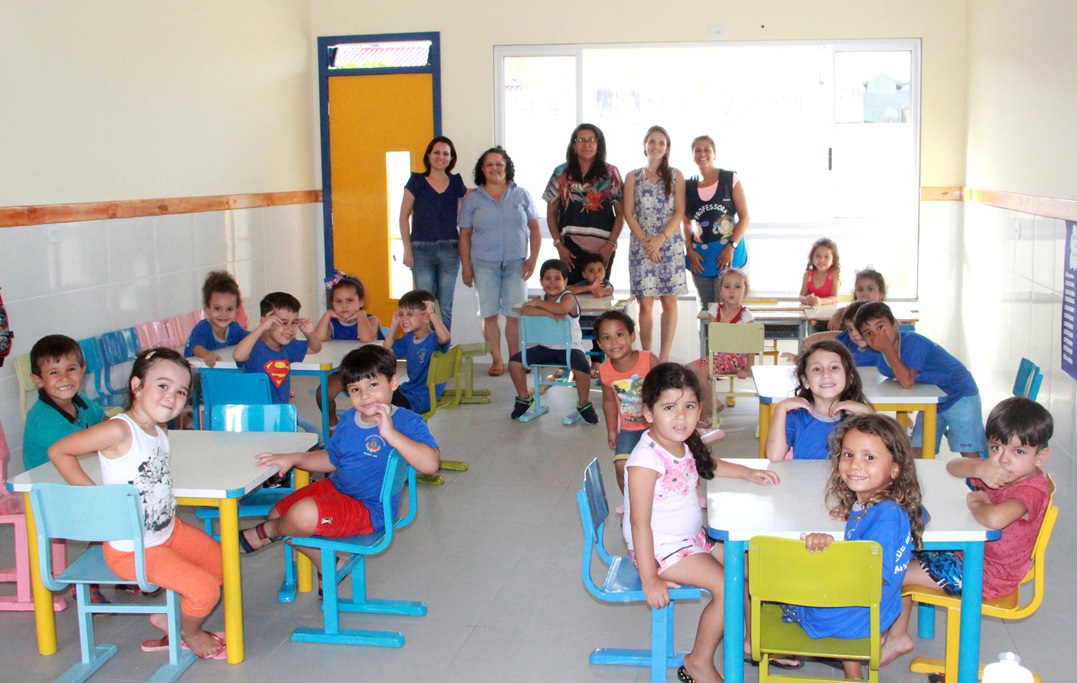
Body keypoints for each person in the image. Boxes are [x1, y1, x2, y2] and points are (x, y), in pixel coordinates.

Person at [48, 348, 226, 660]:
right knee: (205, 590)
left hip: (169, 531)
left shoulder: (159, 429)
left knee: (221, 563)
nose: (172, 397)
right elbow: (60, 451)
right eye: (162, 385)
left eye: (181, 391)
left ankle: (172, 620)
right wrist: (99, 501)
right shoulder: (119, 429)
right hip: (133, 549)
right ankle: (190, 632)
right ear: (136, 386)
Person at [623, 363, 779, 683]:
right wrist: (649, 577)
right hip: (661, 548)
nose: (681, 416)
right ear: (648, 413)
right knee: (728, 586)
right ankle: (697, 662)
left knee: (750, 566)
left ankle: (752, 641)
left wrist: (748, 472)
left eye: (689, 406)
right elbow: (639, 524)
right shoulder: (645, 460)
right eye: (669, 407)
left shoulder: (683, 442)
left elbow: (710, 465)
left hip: (692, 538)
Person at [236, 345, 440, 588]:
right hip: (337, 488)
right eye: (355, 389)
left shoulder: (407, 421)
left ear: (393, 382)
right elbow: (333, 460)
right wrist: (295, 458)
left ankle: (265, 532)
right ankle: (330, 565)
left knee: (298, 517)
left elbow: (430, 464)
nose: (364, 396)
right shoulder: (348, 420)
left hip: (370, 509)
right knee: (280, 515)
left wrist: (390, 433)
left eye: (373, 385)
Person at [881, 397, 1053, 666]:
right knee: (900, 549)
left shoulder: (1030, 489)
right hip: (970, 555)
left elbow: (994, 519)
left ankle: (897, 636)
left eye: (1018, 452)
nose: (1004, 459)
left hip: (987, 574)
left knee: (895, 570)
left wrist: (976, 501)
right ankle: (895, 632)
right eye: (996, 447)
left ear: (1041, 456)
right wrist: (978, 466)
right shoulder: (999, 470)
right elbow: (951, 466)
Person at [790, 414, 925, 679]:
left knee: (751, 572)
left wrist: (828, 555)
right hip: (876, 614)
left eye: (869, 458)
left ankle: (764, 648)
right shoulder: (882, 507)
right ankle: (853, 673)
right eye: (848, 455)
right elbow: (921, 515)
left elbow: (866, 579)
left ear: (895, 469)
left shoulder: (884, 517)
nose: (855, 465)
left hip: (845, 618)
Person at [855, 302, 985, 459]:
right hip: (934, 403)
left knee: (968, 451)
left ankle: (983, 483)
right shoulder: (883, 364)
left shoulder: (913, 341)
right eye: (868, 333)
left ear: (895, 324)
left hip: (960, 396)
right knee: (917, 450)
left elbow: (907, 382)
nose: (877, 336)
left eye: (880, 327)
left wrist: (887, 349)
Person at [458, 147, 541, 377]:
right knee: (489, 313)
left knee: (515, 313)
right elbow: (464, 234)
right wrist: (466, 266)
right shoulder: (473, 199)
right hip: (484, 263)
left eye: (499, 164)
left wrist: (533, 259)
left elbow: (534, 228)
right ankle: (497, 359)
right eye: (489, 165)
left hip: (517, 263)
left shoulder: (521, 194)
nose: (495, 168)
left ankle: (516, 358)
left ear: (507, 167)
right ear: (482, 169)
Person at [507, 259, 598, 424]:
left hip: (570, 349)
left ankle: (583, 403)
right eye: (547, 278)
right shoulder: (540, 297)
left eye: (557, 278)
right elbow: (525, 309)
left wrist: (539, 305)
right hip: (545, 348)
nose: (552, 282)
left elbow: (562, 309)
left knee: (583, 367)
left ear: (565, 281)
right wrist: (546, 313)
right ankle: (524, 398)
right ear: (541, 281)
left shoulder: (568, 297)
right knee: (514, 363)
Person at [626, 125, 686, 362]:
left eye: (661, 142)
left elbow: (680, 211)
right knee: (645, 304)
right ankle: (646, 356)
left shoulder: (676, 175)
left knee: (669, 302)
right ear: (644, 145)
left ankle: (663, 358)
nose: (656, 146)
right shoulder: (633, 176)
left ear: (667, 148)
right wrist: (646, 243)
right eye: (652, 141)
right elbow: (629, 213)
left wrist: (660, 240)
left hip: (669, 245)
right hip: (641, 246)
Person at [399, 136, 468, 332]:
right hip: (421, 251)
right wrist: (407, 250)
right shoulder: (417, 181)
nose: (441, 157)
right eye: (437, 152)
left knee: (445, 306)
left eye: (446, 153)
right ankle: (426, 349)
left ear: (451, 158)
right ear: (429, 155)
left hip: (449, 250)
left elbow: (463, 213)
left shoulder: (456, 182)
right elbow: (403, 216)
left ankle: (443, 353)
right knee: (423, 305)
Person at [542, 123, 625, 284]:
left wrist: (611, 245)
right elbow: (551, 213)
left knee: (599, 295)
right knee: (572, 296)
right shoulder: (560, 173)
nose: (586, 144)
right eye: (581, 140)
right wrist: (559, 245)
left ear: (598, 144)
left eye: (591, 140)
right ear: (573, 145)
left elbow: (621, 213)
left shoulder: (610, 173)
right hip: (570, 249)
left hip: (603, 247)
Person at [765, 339, 873, 461]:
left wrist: (868, 415)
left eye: (834, 367)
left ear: (850, 377)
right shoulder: (796, 418)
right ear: (805, 381)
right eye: (817, 369)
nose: (826, 374)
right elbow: (774, 456)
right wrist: (781, 409)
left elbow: (878, 455)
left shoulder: (857, 417)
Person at [233, 291, 323, 435]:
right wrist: (262, 327)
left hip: (280, 413)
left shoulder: (288, 346)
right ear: (266, 321)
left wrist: (310, 333)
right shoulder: (254, 346)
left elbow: (315, 348)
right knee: (301, 434)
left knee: (317, 433)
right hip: (257, 417)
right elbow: (238, 355)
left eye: (294, 322)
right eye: (283, 322)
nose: (290, 329)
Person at [682, 135, 750, 311]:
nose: (702, 154)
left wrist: (731, 247)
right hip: (700, 257)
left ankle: (727, 340)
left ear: (714, 154)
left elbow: (744, 217)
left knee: (728, 307)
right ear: (692, 155)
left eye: (707, 150)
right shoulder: (688, 186)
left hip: (728, 254)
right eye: (697, 150)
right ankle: (706, 340)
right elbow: (686, 222)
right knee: (706, 309)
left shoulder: (730, 179)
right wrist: (689, 250)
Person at [594, 310, 660, 493]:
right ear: (599, 344)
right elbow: (608, 402)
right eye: (606, 337)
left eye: (619, 334)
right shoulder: (605, 370)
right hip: (629, 431)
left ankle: (662, 501)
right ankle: (631, 504)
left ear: (632, 336)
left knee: (661, 466)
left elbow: (667, 389)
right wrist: (611, 430)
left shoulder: (649, 360)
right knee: (621, 467)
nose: (614, 342)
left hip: (658, 427)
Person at [23, 334, 106, 472]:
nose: (65, 378)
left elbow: (104, 421)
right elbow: (89, 449)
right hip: (52, 487)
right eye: (54, 372)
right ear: (38, 380)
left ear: (82, 370)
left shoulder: (80, 400)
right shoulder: (44, 421)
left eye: (71, 369)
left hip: (80, 472)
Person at [314, 273, 383, 428]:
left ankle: (374, 425)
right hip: (343, 372)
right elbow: (317, 339)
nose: (344, 306)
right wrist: (327, 315)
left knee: (371, 398)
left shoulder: (371, 320)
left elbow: (366, 338)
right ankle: (332, 424)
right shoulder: (333, 323)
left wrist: (361, 314)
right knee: (323, 394)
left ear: (361, 302)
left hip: (371, 373)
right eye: (338, 302)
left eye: (350, 301)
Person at [687, 269, 754, 422]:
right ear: (720, 290)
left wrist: (749, 368)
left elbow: (751, 344)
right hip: (718, 357)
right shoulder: (714, 310)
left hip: (736, 359)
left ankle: (707, 413)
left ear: (745, 291)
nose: (732, 291)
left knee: (699, 372)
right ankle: (709, 408)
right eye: (727, 286)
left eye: (737, 287)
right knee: (689, 370)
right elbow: (715, 337)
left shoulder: (746, 315)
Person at [383, 289, 451, 415]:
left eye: (409, 314)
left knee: (380, 398)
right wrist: (393, 325)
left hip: (420, 399)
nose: (404, 319)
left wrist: (431, 313)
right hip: (409, 392)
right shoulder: (409, 339)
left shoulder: (433, 339)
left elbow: (445, 338)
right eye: (401, 314)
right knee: (381, 391)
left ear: (426, 317)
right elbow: (387, 350)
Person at [183, 270, 250, 367]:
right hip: (195, 372)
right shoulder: (202, 328)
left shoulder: (234, 329)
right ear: (208, 309)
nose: (224, 314)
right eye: (217, 308)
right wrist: (207, 354)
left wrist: (265, 332)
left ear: (237, 310)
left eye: (229, 309)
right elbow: (196, 347)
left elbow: (250, 338)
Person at [798, 238, 841, 308]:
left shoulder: (834, 274)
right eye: (818, 256)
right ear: (812, 257)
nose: (821, 260)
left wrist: (821, 301)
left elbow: (835, 297)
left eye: (826, 257)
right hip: (810, 313)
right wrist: (805, 299)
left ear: (833, 260)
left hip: (828, 313)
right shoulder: (807, 275)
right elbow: (801, 296)